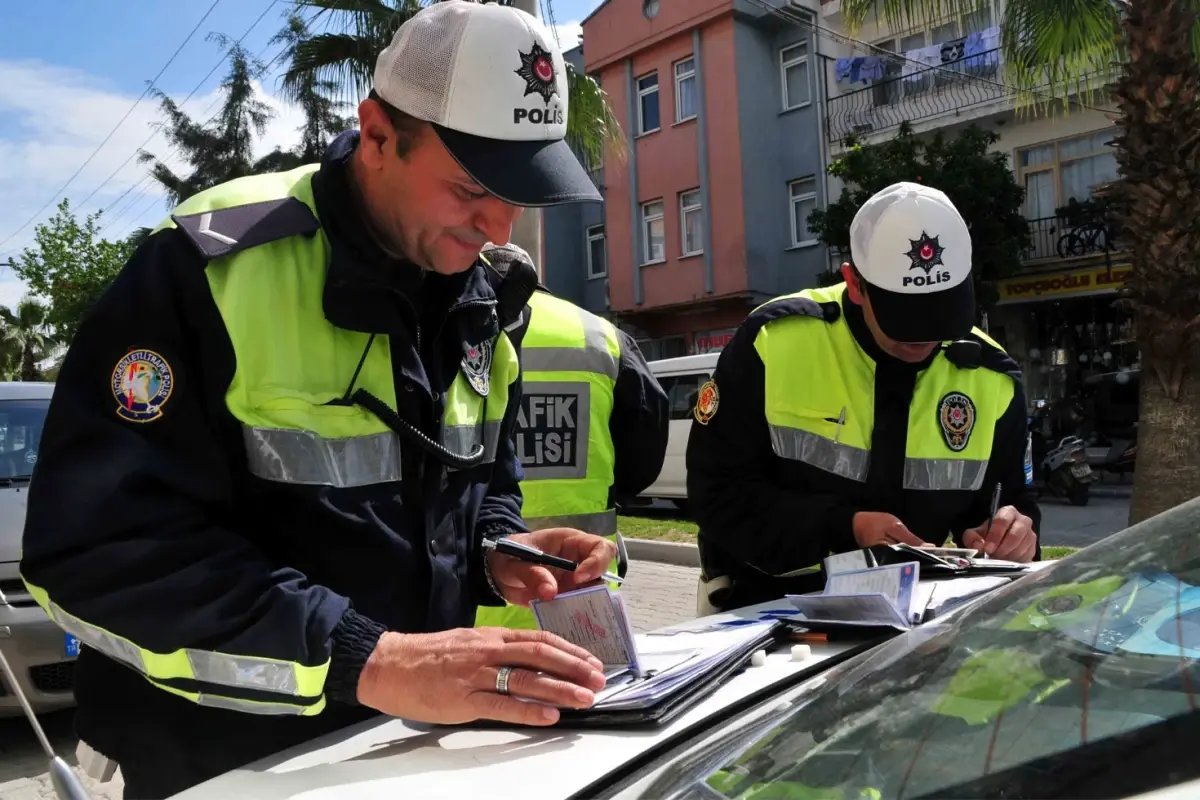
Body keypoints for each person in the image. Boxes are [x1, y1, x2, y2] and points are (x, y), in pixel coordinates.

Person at [19, 3, 617, 796]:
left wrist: (497, 552)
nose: (497, 223)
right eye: (472, 185)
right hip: (213, 765)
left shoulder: (478, 296)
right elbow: (96, 556)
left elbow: (478, 482)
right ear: (377, 136)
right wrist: (368, 657)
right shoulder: (208, 270)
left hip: (400, 754)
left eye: (519, 192)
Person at [687, 182, 1041, 612]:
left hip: (914, 619)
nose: (925, 337)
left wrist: (1013, 535)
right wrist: (846, 527)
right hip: (764, 609)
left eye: (943, 312)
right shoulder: (774, 342)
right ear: (855, 283)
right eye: (906, 316)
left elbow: (1012, 506)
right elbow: (716, 495)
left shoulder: (992, 377)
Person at [473, 242, 670, 629]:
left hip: (474, 606)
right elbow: (644, 458)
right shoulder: (601, 336)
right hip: (579, 598)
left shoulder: (451, 330)